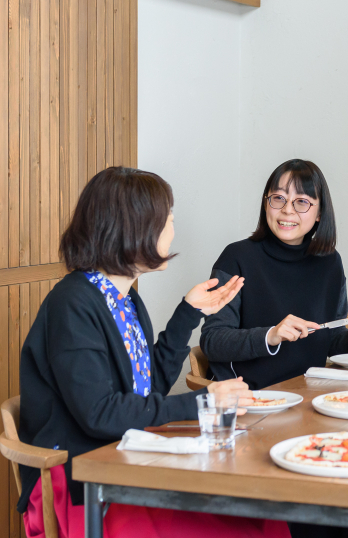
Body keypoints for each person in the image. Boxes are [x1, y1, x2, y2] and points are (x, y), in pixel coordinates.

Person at [17, 167, 289, 538]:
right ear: (134, 227)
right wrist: (204, 401)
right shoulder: (72, 303)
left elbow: (151, 390)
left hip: (123, 462)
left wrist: (188, 312)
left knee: (266, 516)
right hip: (83, 482)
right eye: (168, 219)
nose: (173, 230)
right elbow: (99, 414)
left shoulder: (125, 299)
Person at [200, 159, 348, 390]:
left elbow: (329, 336)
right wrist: (271, 335)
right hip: (250, 397)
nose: (287, 210)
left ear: (319, 213)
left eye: (302, 202)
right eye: (279, 198)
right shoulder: (236, 258)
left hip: (309, 394)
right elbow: (212, 340)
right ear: (266, 203)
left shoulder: (330, 262)